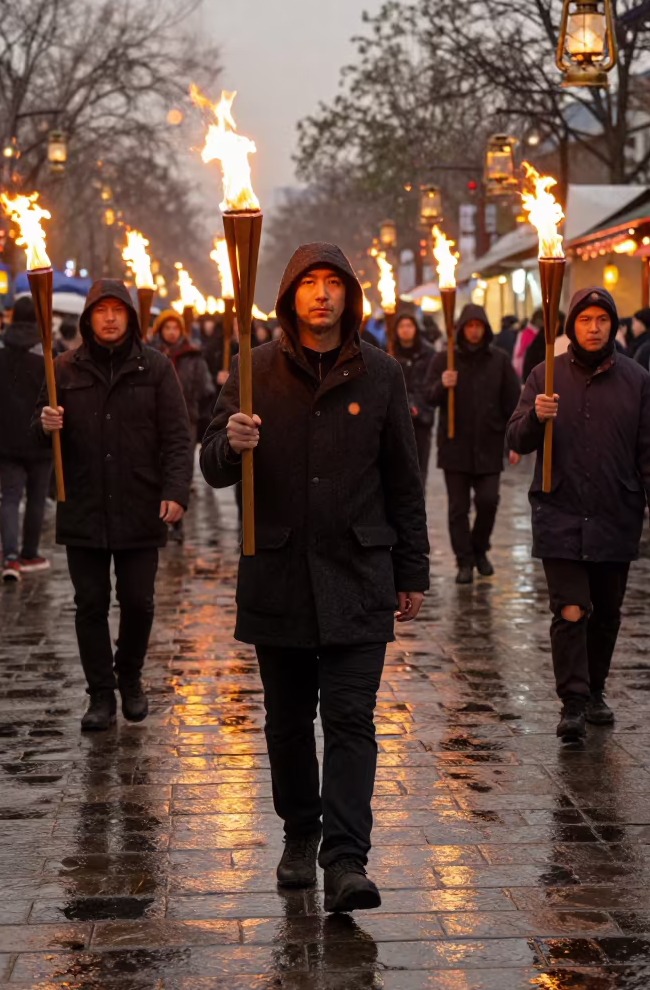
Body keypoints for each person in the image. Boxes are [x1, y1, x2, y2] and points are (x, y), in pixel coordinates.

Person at [201, 243, 429, 913]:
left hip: (359, 571)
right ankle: (302, 832)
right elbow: (211, 462)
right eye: (310, 284)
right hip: (279, 574)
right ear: (289, 296)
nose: (322, 294)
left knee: (353, 718)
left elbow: (404, 481)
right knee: (289, 721)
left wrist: (410, 568)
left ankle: (346, 859)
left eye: (334, 283)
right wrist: (229, 443)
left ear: (350, 296)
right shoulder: (252, 372)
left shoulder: (382, 375)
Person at [507, 287, 650, 743]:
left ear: (613, 325)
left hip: (613, 512)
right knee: (570, 609)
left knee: (605, 614)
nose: (594, 327)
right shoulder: (544, 375)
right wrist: (533, 419)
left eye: (603, 319)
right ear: (571, 327)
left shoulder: (637, 381)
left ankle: (596, 688)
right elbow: (516, 439)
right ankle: (573, 703)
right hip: (558, 509)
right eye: (585, 319)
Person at [37, 279, 191, 731]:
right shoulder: (62, 368)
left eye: (117, 310)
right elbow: (37, 433)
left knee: (139, 602)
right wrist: (43, 424)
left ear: (130, 317)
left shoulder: (156, 368)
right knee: (90, 604)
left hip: (140, 503)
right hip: (83, 502)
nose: (109, 317)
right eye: (100, 310)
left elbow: (178, 439)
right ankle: (100, 694)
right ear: (87, 318)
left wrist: (176, 491)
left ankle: (130, 676)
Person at [425, 303, 520, 584]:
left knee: (488, 501)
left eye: (479, 325)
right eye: (469, 326)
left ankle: (480, 549)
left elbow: (512, 402)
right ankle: (464, 560)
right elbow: (429, 396)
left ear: (485, 328)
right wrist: (443, 384)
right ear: (461, 329)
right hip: (455, 445)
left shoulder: (499, 360)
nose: (474, 331)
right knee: (458, 508)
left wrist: (513, 440)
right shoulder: (445, 359)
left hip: (490, 443)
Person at [0, 296, 53, 581]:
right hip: (40, 436)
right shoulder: (45, 351)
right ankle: (29, 553)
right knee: (36, 498)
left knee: (10, 496)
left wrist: (1, 403)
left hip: (4, 434)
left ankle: (9, 557)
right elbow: (57, 392)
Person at [152, 309, 215, 541]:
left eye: (174, 328)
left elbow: (206, 387)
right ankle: (157, 517)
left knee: (180, 467)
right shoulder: (150, 353)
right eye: (166, 328)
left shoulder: (193, 356)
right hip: (154, 421)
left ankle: (177, 522)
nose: (170, 332)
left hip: (186, 419)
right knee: (156, 467)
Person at [391, 312, 435, 485]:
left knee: (419, 466)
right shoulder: (388, 350)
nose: (405, 330)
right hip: (395, 420)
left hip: (421, 419)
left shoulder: (428, 353)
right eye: (402, 326)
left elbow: (430, 384)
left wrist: (417, 406)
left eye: (409, 326)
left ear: (416, 329)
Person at [512, 309, 542, 379]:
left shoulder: (525, 332)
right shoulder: (531, 333)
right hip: (524, 369)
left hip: (521, 369)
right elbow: (522, 352)